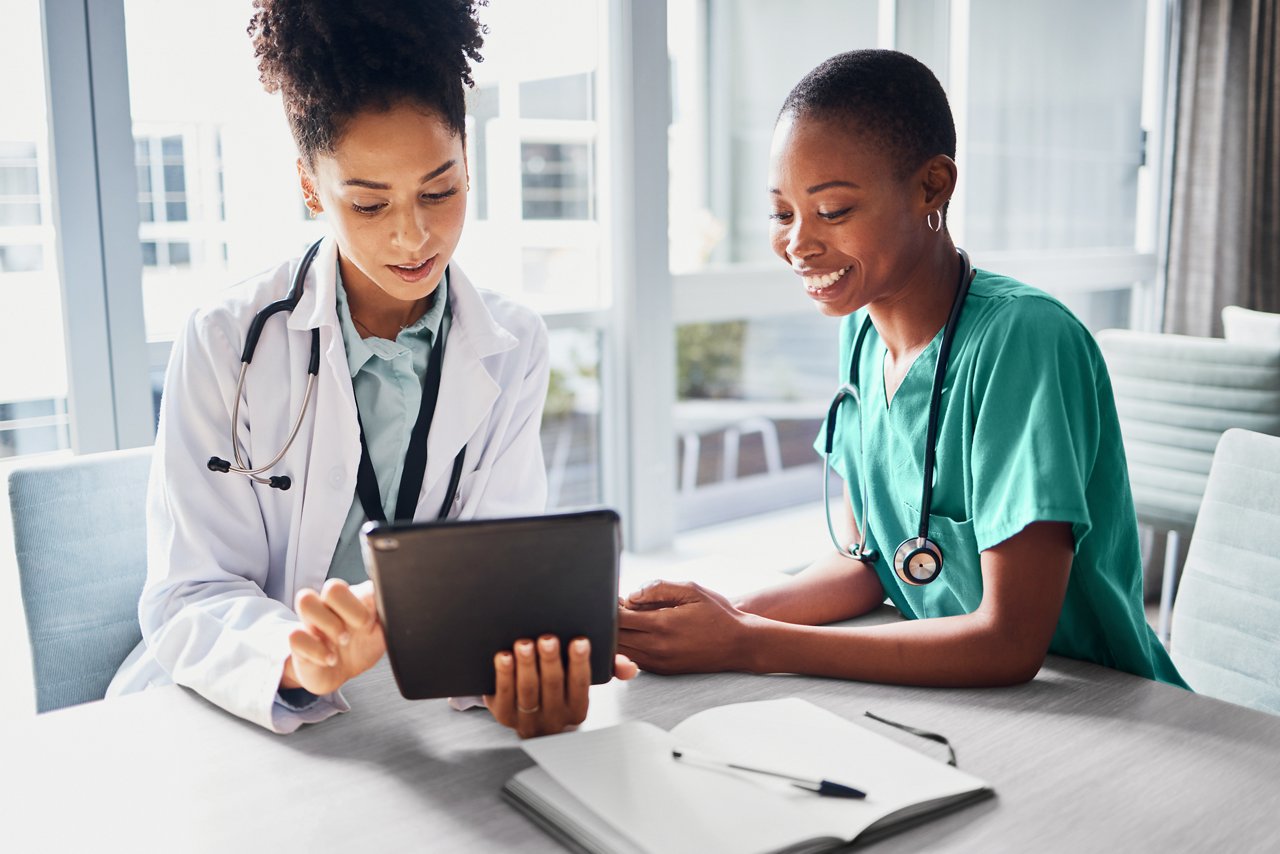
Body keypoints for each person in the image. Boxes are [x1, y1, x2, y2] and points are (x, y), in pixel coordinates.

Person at [108, 0, 634, 736]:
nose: (412, 235)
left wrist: (519, 671)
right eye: (367, 202)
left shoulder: (512, 342)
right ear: (308, 184)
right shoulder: (228, 338)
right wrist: (296, 658)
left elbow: (498, 573)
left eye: (440, 190)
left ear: (468, 160)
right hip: (230, 709)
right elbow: (188, 596)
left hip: (406, 717)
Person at [618, 49, 1186, 690]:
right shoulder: (860, 335)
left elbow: (1009, 642)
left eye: (832, 211)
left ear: (931, 187)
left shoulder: (1025, 340)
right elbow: (871, 563)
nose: (798, 243)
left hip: (1100, 703)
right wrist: (721, 616)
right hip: (959, 694)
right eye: (782, 213)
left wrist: (749, 644)